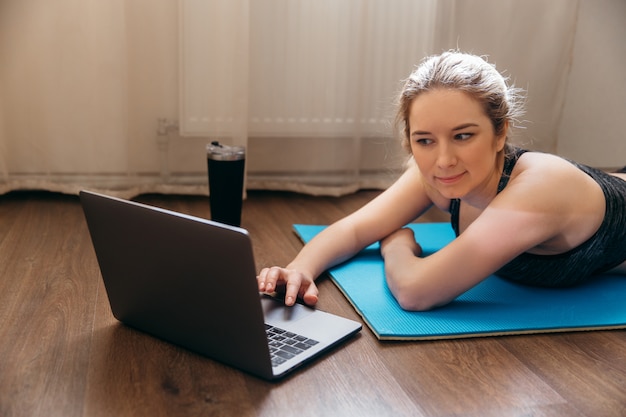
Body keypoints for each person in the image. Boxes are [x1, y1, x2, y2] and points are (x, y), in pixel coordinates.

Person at [257, 51, 626, 311]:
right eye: (425, 140)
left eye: (463, 136)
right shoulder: (436, 174)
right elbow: (354, 230)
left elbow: (417, 291)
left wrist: (396, 245)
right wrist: (300, 269)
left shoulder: (540, 190)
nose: (444, 160)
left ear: (500, 134)